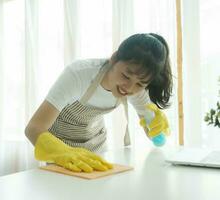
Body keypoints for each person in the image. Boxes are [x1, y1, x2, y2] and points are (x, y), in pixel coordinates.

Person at [25, 33, 172, 173]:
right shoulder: (78, 74)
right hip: (63, 152)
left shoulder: (138, 88)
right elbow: (34, 128)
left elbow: (155, 136)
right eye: (126, 76)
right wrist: (61, 152)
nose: (129, 88)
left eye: (140, 84)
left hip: (97, 149)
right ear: (113, 59)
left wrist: (156, 129)